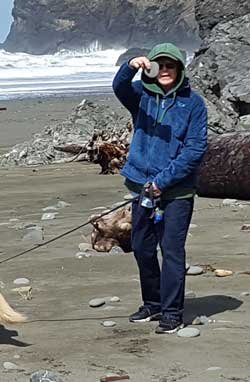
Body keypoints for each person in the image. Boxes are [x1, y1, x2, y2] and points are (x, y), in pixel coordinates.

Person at [112, 42, 208, 334]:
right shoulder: (141, 96)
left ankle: (172, 312)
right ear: (152, 69)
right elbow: (119, 87)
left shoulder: (193, 103)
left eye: (171, 66)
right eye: (160, 65)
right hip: (141, 189)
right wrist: (130, 65)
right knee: (141, 248)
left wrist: (162, 181)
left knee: (172, 251)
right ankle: (152, 303)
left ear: (179, 69)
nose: (165, 71)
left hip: (176, 192)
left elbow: (195, 150)